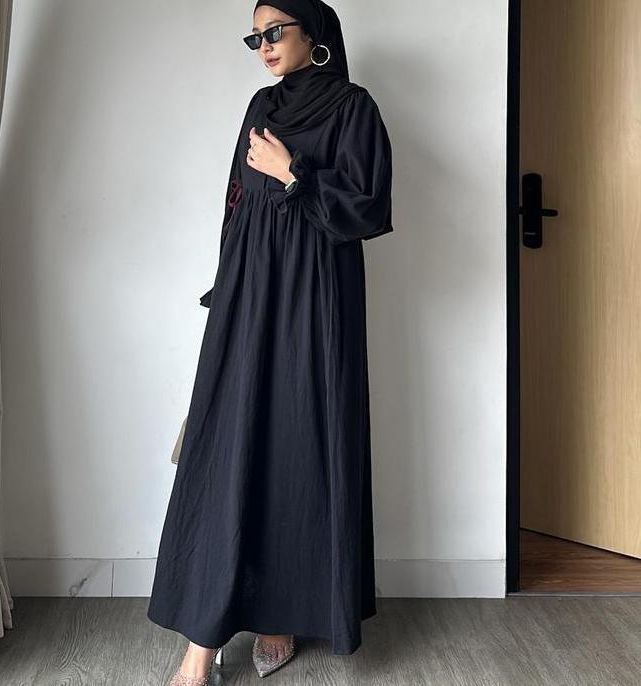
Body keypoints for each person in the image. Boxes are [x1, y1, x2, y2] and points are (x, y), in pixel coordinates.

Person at [147, 1, 394, 683]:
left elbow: (369, 208)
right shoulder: (261, 105)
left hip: (317, 296)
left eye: (275, 31)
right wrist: (227, 287)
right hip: (252, 290)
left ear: (315, 33)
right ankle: (201, 642)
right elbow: (234, 204)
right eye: (255, 35)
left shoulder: (353, 107)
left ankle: (280, 613)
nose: (263, 45)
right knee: (226, 444)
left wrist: (294, 174)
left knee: (296, 444)